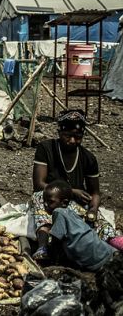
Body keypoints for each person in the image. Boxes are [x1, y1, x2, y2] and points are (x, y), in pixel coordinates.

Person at [31, 109, 120, 260]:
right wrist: (71, 191)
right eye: (68, 136)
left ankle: (117, 246)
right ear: (59, 132)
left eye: (77, 137)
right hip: (51, 199)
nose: (72, 140)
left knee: (100, 224)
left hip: (74, 203)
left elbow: (95, 192)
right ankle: (43, 247)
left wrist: (93, 210)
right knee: (40, 197)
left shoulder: (88, 158)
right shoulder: (46, 148)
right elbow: (39, 184)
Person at [40, 180, 121, 270]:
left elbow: (56, 240)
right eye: (44, 201)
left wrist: (51, 256)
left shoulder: (58, 212)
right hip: (106, 251)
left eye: (50, 202)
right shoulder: (72, 214)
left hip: (93, 261)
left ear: (64, 203)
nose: (45, 204)